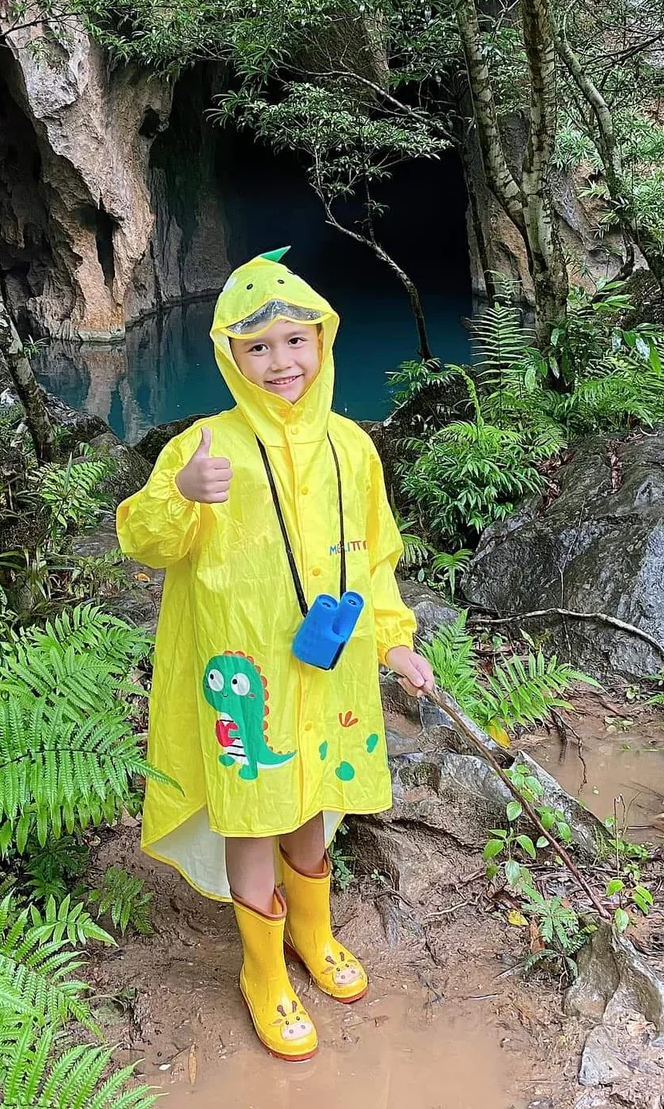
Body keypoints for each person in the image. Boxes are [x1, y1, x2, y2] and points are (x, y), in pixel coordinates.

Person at [116, 248, 433, 1063]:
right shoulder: (204, 445)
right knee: (252, 809)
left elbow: (375, 556)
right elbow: (144, 539)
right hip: (242, 674)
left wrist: (395, 640)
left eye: (296, 341)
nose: (280, 362)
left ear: (323, 342)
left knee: (311, 800)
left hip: (323, 668)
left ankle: (312, 935)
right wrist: (179, 497)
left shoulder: (351, 447)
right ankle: (263, 970)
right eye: (258, 348)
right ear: (230, 355)